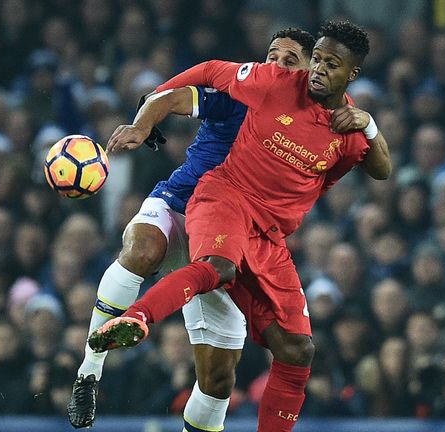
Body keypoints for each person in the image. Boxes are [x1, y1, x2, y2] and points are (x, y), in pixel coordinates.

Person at [95, 20, 391, 432]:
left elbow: (381, 169)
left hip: (268, 236)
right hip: (225, 197)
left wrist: (369, 125)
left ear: (351, 74)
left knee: (297, 349)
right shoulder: (275, 82)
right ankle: (138, 318)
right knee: (219, 268)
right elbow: (211, 69)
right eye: (318, 59)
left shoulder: (348, 127)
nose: (319, 70)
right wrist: (149, 107)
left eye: (331, 64)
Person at [67, 28, 318, 429]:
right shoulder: (243, 92)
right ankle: (89, 373)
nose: (277, 66)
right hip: (179, 205)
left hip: (231, 242)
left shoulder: (311, 125)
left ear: (310, 71)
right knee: (142, 250)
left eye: (290, 61)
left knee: (218, 380)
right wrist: (143, 124)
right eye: (273, 57)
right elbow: (175, 96)